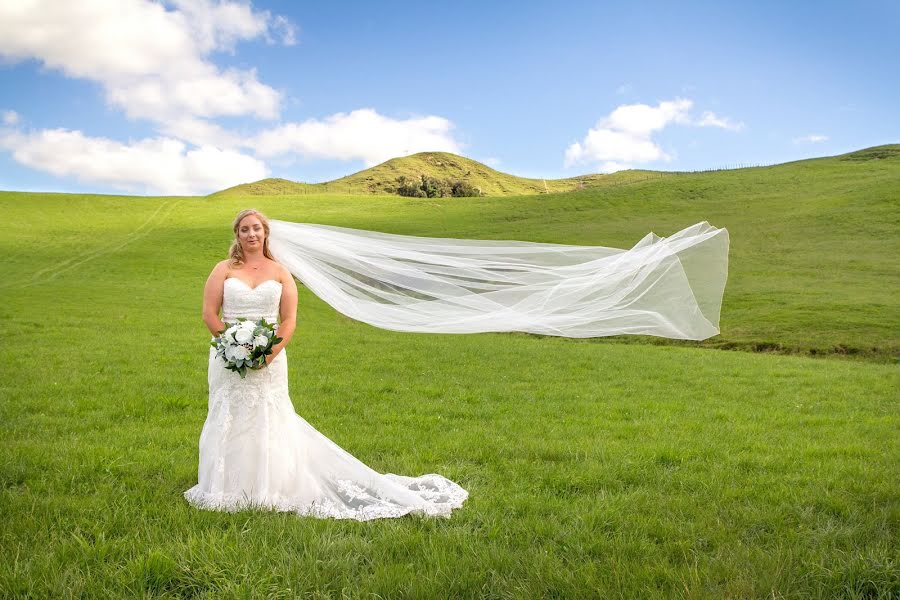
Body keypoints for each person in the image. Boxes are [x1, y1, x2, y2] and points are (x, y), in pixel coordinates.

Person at [183, 209, 469, 520]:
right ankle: (224, 485)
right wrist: (234, 345)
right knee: (228, 413)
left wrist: (267, 354)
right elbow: (210, 314)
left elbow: (288, 319)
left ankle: (271, 485)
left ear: (265, 233)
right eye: (244, 230)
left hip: (270, 358)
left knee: (268, 415)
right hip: (227, 357)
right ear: (237, 235)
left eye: (256, 229)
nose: (250, 234)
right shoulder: (222, 269)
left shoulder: (280, 272)